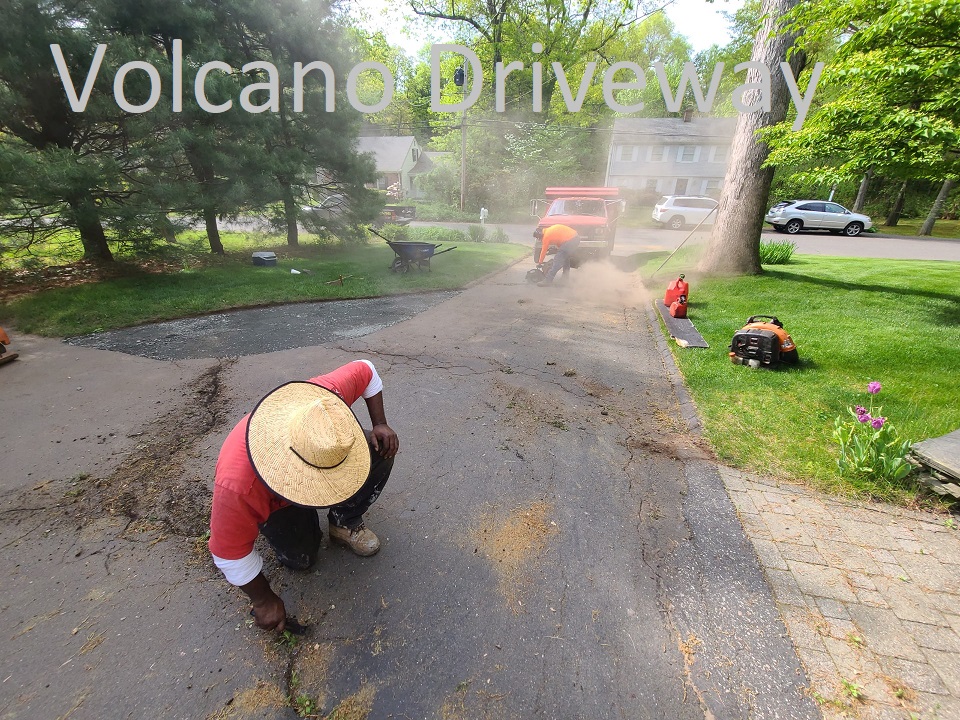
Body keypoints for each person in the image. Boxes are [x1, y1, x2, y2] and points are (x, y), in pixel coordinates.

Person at [208, 359, 398, 632]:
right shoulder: (239, 485)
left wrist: (380, 423)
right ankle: (293, 523)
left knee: (381, 449)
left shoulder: (323, 400)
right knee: (302, 558)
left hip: (303, 456)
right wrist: (263, 599)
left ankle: (344, 521)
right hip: (273, 499)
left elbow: (366, 369)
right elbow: (227, 553)